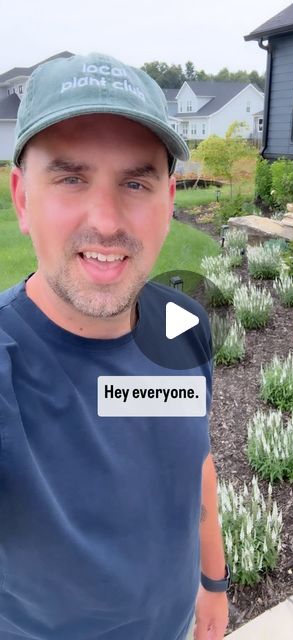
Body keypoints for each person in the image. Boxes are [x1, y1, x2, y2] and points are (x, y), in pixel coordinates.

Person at [0, 52, 230, 640]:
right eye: (71, 177)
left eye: (135, 181)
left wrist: (213, 585)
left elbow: (193, 461)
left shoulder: (184, 328)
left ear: (169, 200)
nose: (105, 220)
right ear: (22, 198)